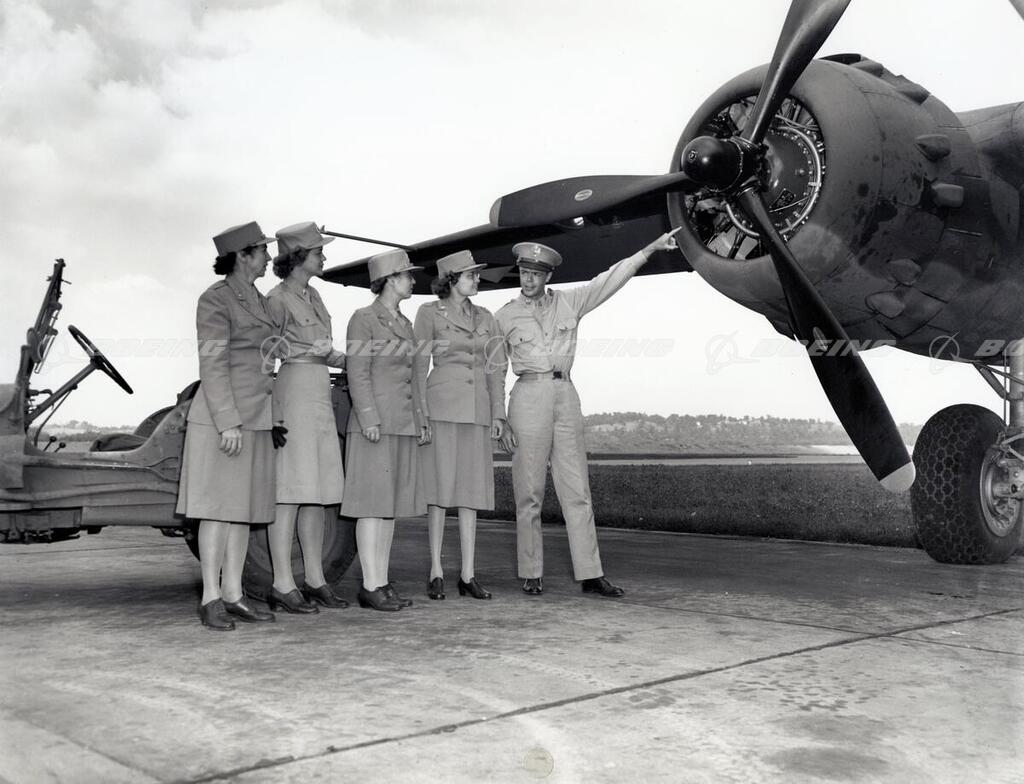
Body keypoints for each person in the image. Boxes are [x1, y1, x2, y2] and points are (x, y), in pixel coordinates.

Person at [496, 229, 682, 597]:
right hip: (527, 397)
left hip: (565, 395)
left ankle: (591, 573)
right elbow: (494, 369)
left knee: (577, 490)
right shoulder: (504, 316)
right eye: (524, 273)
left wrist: (648, 248)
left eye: (535, 274)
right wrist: (499, 417)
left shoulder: (571, 302)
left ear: (548, 276)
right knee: (529, 493)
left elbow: (609, 279)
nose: (528, 280)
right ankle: (531, 572)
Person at [176, 221, 280, 630]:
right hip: (226, 421)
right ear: (242, 255)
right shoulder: (215, 299)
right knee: (217, 512)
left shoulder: (258, 299)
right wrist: (228, 423)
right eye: (262, 250)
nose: (268, 257)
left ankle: (234, 594)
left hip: (255, 418)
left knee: (242, 511)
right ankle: (211, 597)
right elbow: (213, 363)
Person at [413, 250, 507, 601]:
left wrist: (498, 413)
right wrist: (421, 414)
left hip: (477, 412)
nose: (477, 279)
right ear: (451, 280)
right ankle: (436, 571)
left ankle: (468, 574)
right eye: (471, 274)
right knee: (439, 493)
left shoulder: (486, 317)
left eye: (477, 274)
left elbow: (496, 368)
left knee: (471, 492)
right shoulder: (429, 313)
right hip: (441, 409)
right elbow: (418, 367)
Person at [264, 221, 347, 614]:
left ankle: (315, 579)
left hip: (318, 393)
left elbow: (325, 351)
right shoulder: (276, 300)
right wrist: (272, 412)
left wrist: (359, 361)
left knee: (316, 493)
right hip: (293, 394)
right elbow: (264, 359)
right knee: (290, 493)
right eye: (318, 252)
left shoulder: (313, 295)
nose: (324, 257)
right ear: (297, 258)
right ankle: (282, 583)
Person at [341, 249, 431, 611]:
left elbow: (413, 377)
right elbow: (357, 371)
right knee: (371, 506)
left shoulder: (405, 324)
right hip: (375, 425)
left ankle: (381, 580)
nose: (412, 280)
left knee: (389, 507)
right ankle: (370, 584)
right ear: (390, 280)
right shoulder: (363, 319)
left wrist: (420, 420)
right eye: (407, 275)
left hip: (401, 423)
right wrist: (368, 419)